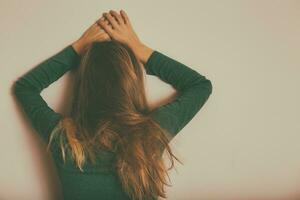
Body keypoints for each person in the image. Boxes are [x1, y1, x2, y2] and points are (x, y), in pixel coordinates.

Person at [13, 9, 213, 200]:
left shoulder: (65, 140)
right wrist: (139, 48)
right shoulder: (151, 132)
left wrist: (78, 48)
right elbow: (200, 86)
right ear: (133, 83)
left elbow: (25, 87)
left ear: (84, 85)